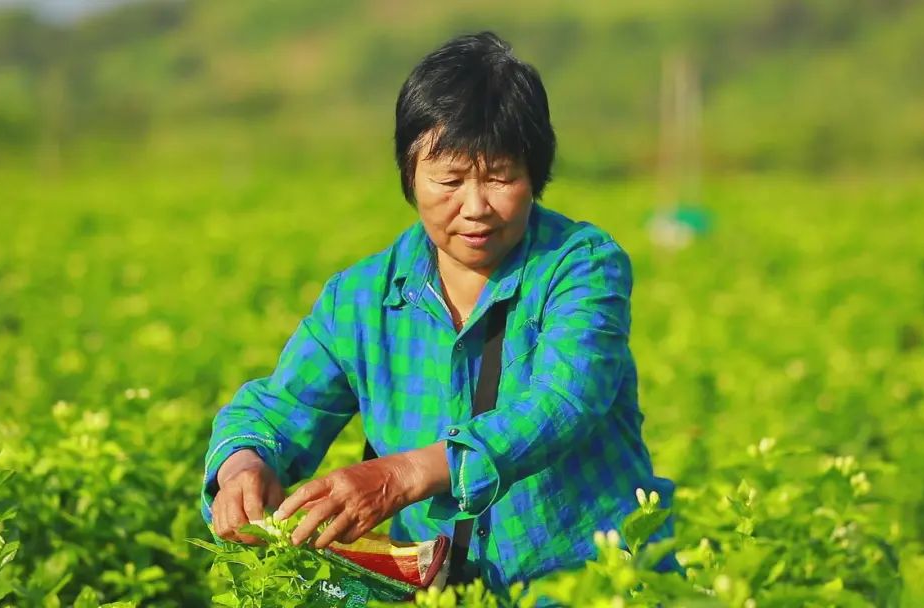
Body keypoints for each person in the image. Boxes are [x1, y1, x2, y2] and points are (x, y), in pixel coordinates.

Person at [201, 31, 678, 600]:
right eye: (449, 180)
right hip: (428, 591)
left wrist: (402, 475)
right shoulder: (361, 298)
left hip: (587, 585)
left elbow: (564, 402)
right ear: (410, 175)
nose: (475, 207)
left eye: (500, 177)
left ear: (536, 173)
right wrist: (242, 466)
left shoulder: (580, 266)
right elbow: (281, 408)